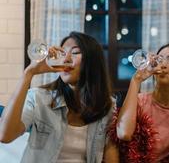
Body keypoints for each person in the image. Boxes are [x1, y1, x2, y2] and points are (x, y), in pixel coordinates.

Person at [0, 31, 119, 163]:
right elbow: (5, 135)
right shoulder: (39, 98)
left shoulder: (107, 105)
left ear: (93, 61)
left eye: (75, 52)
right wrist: (29, 73)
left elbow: (110, 150)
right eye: (62, 53)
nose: (66, 59)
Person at [110, 43, 169, 162]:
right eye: (159, 59)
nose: (163, 65)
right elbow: (123, 134)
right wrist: (136, 79)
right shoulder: (138, 101)